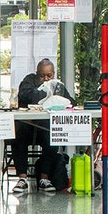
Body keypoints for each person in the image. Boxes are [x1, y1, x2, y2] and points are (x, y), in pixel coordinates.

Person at [11, 58, 75, 193]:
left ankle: (44, 178)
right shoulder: (28, 81)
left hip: (45, 128)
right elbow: (28, 96)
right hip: (27, 127)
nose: (46, 79)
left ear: (54, 74)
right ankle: (22, 178)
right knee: (18, 137)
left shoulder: (58, 85)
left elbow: (70, 102)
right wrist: (47, 92)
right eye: (42, 75)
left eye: (49, 76)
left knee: (53, 136)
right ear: (37, 73)